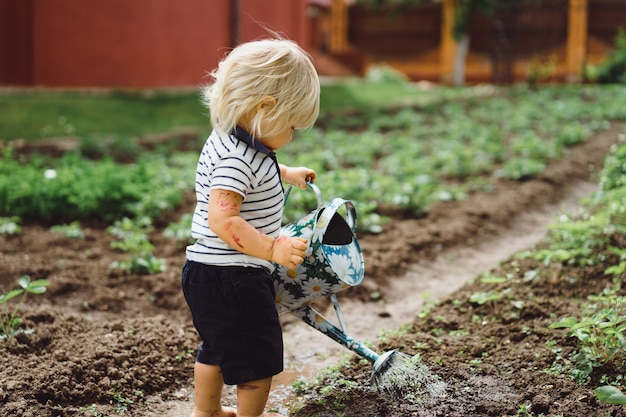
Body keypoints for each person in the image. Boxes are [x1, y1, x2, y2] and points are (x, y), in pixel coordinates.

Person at [181, 38, 320, 417]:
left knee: (217, 345)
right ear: (265, 109)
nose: (291, 135)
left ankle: (206, 413)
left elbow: (254, 170)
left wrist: (285, 173)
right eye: (291, 125)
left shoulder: (234, 141)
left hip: (206, 272)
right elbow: (224, 219)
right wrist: (273, 249)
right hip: (234, 276)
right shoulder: (238, 160)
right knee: (261, 357)